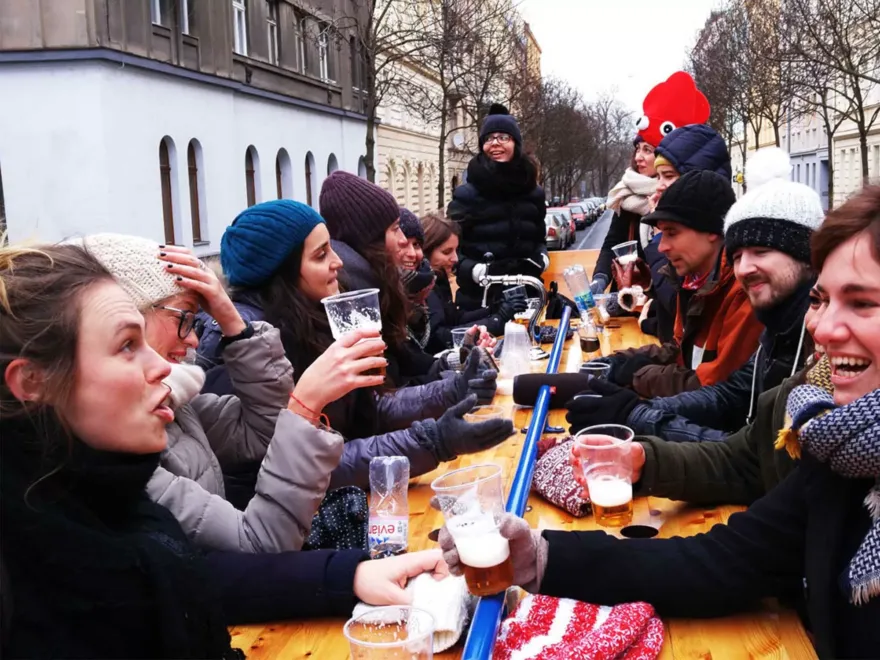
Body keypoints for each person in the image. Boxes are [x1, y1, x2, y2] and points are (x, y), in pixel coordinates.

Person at [438, 185, 880, 658]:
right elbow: (730, 556)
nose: (826, 328)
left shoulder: (819, 416)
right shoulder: (828, 427)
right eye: (822, 300)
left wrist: (635, 414)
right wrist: (541, 557)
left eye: (863, 303)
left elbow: (726, 420)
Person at [0, 240, 453, 646]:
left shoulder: (142, 439)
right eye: (127, 342)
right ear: (33, 381)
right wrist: (307, 402)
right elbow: (247, 544)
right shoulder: (81, 515)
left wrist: (235, 324)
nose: (179, 351)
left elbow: (259, 435)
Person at [0, 242, 240, 658]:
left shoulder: (122, 504)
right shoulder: (36, 591)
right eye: (128, 345)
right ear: (33, 382)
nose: (163, 366)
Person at [82, 233, 369, 553]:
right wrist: (306, 404)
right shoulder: (117, 444)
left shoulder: (178, 406)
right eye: (186, 318)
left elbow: (264, 431)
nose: (193, 339)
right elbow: (259, 544)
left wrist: (231, 318)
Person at [200, 199, 513, 490]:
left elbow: (365, 409)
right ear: (279, 272)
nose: (338, 261)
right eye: (321, 254)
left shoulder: (308, 316)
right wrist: (433, 442)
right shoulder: (243, 349)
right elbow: (306, 464)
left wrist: (453, 390)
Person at [568, 148, 823, 443]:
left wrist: (633, 402)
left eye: (672, 232)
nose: (745, 267)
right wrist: (629, 395)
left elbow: (748, 448)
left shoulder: (754, 300)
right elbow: (729, 396)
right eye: (739, 255)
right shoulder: (768, 319)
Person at [591, 170, 763, 399]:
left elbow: (712, 386)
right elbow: (680, 352)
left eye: (671, 233)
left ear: (711, 231)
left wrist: (633, 376)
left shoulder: (742, 292)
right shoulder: (692, 280)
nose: (661, 247)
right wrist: (619, 361)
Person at [448, 103, 548, 311]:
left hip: (527, 296)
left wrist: (542, 258)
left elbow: (538, 238)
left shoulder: (534, 193)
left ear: (516, 143)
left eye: (503, 137)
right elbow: (450, 249)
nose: (495, 144)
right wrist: (474, 271)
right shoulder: (466, 194)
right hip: (480, 301)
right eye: (489, 138)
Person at [640, 123, 733, 341]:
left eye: (669, 176)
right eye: (659, 177)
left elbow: (680, 307)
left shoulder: (726, 261)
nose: (660, 186)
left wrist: (657, 239)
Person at [421, 211, 526, 354]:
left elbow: (454, 318)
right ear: (426, 251)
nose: (455, 258)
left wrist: (493, 309)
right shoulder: (424, 286)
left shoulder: (438, 276)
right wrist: (497, 318)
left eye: (455, 251)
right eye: (447, 252)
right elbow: (439, 338)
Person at [590, 137, 658, 297]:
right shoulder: (627, 194)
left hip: (658, 298)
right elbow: (612, 244)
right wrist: (600, 278)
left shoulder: (672, 197)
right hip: (625, 294)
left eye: (647, 150)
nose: (638, 157)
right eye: (637, 148)